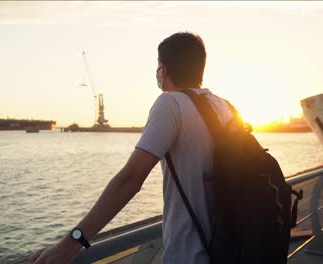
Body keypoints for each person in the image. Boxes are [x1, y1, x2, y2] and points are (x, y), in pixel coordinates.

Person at [30, 32, 234, 264]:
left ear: (164, 70)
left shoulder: (171, 103)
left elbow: (129, 180)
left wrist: (69, 245)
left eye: (158, 66)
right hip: (229, 250)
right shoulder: (226, 107)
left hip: (189, 256)